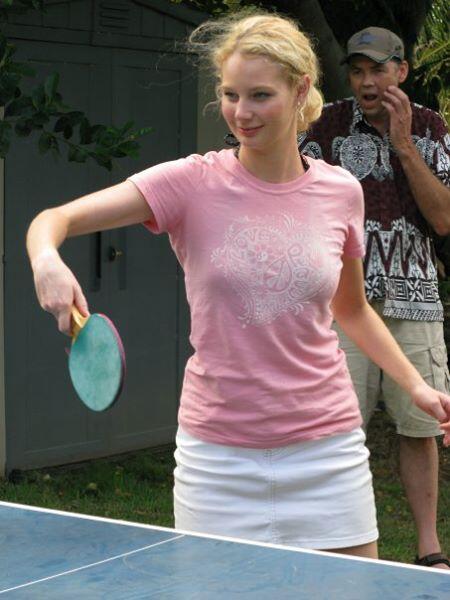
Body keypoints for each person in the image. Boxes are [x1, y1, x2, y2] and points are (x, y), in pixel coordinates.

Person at [27, 13, 450, 561]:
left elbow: (352, 309)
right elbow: (53, 220)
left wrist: (416, 387)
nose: (241, 113)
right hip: (217, 458)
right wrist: (46, 259)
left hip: (326, 448)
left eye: (259, 95)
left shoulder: (341, 191)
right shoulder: (189, 182)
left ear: (300, 89)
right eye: (230, 95)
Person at [303, 26, 450, 569]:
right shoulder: (323, 124)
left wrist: (404, 145)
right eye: (358, 71)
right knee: (340, 429)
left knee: (420, 427)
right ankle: (342, 544)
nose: (367, 82)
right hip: (343, 301)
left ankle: (429, 549)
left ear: (402, 72)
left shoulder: (431, 127)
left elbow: (443, 219)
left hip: (417, 300)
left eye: (378, 70)